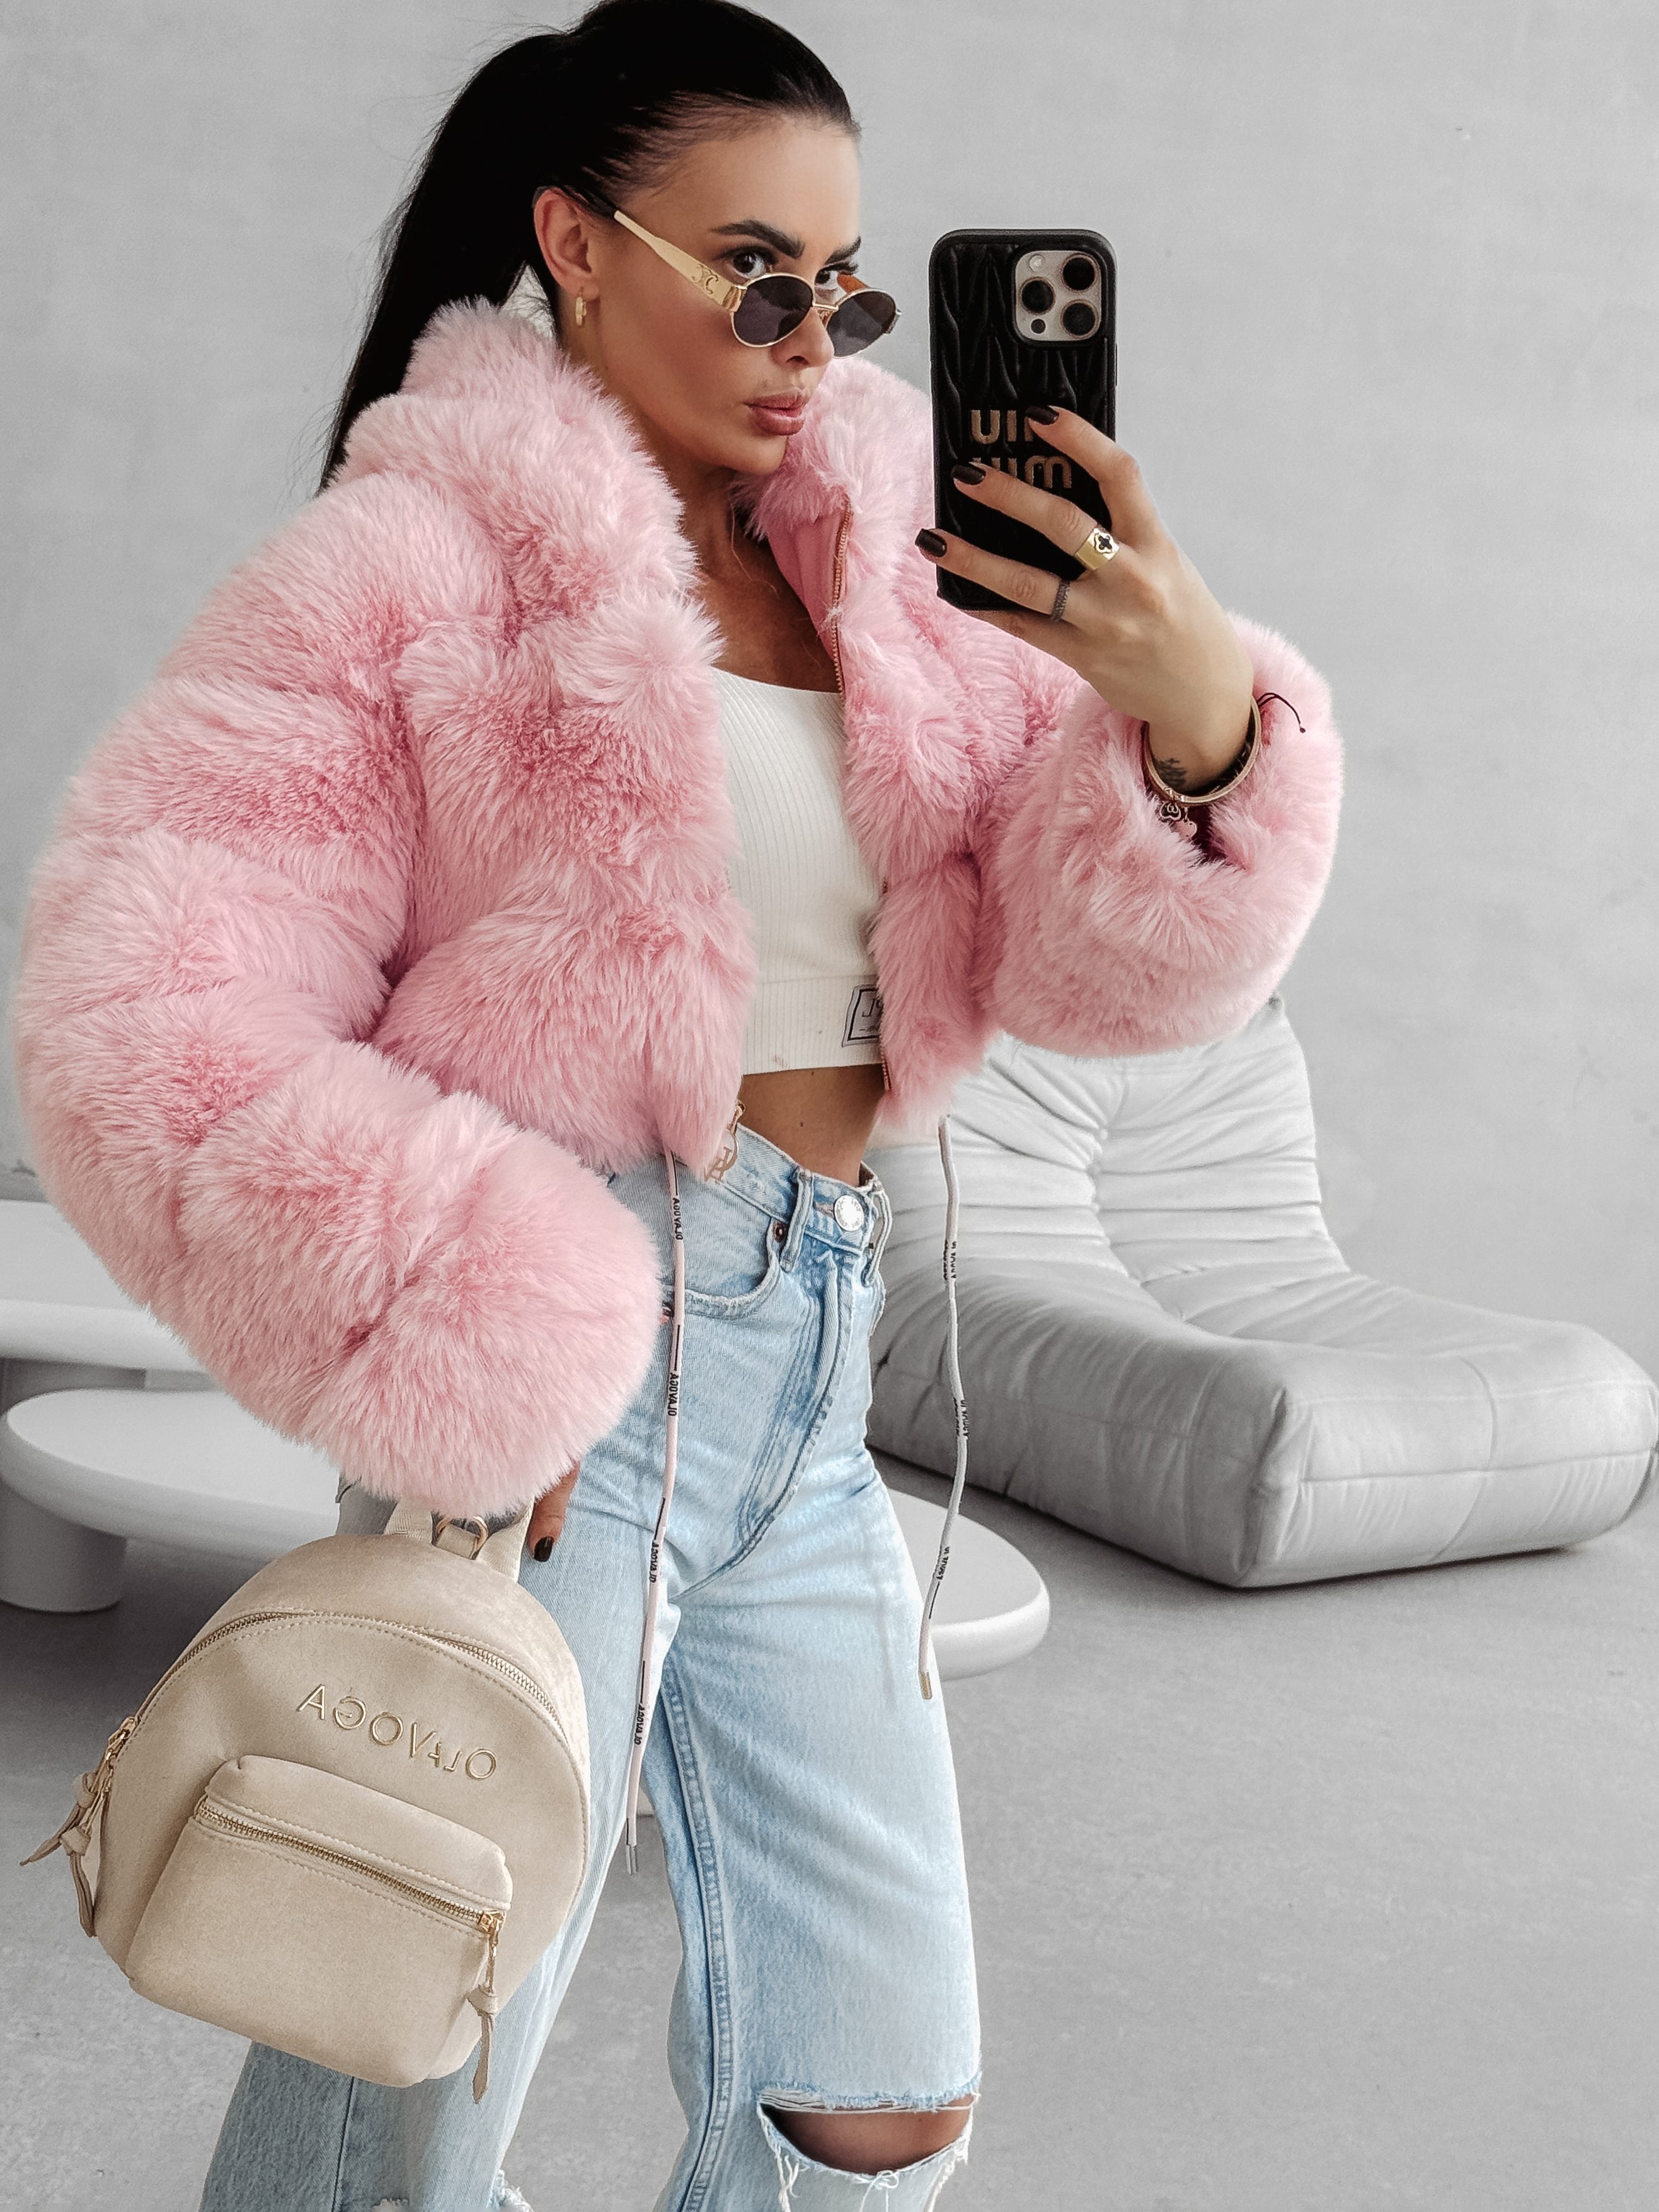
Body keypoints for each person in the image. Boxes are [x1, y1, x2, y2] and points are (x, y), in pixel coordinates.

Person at [12, 3, 1342, 2204]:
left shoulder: (894, 571)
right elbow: (139, 1001)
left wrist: (1190, 720)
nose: (808, 343)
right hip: (558, 1383)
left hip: (819, 1371)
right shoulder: (407, 569)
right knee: (416, 2048)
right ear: (575, 243)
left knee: (875, 2100)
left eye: (843, 290)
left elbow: (1078, 965)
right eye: (751, 276)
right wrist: (470, 1316)